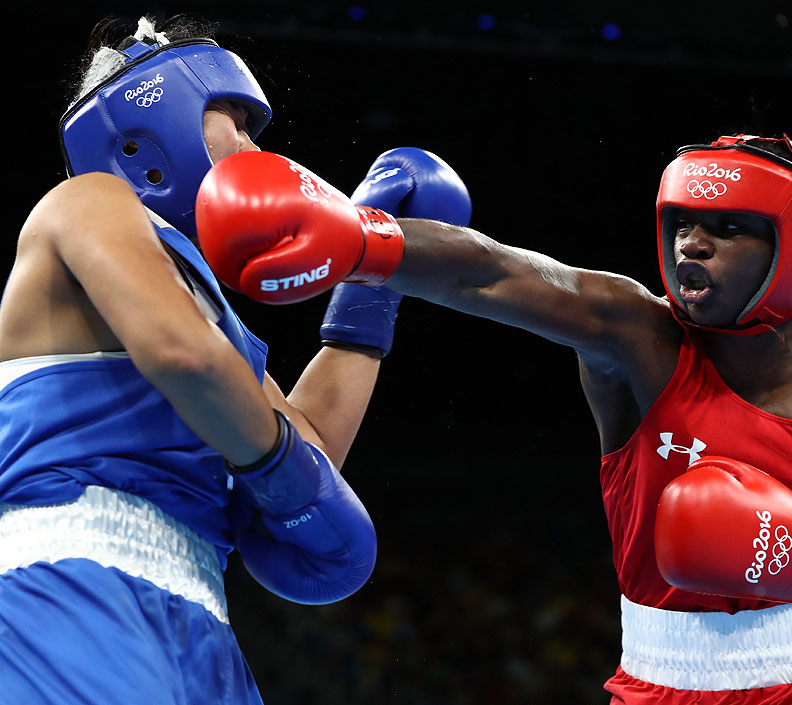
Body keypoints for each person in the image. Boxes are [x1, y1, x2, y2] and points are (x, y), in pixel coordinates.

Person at [197, 135, 792, 703]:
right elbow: (495, 271)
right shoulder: (638, 340)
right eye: (682, 221)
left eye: (728, 227)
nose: (692, 242)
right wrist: (361, 240)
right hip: (658, 683)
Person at [0, 15, 467, 705]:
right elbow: (185, 361)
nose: (252, 147)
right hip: (72, 576)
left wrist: (370, 283)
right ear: (145, 132)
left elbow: (302, 446)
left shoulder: (210, 316)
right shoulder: (89, 201)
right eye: (236, 121)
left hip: (200, 615)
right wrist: (285, 471)